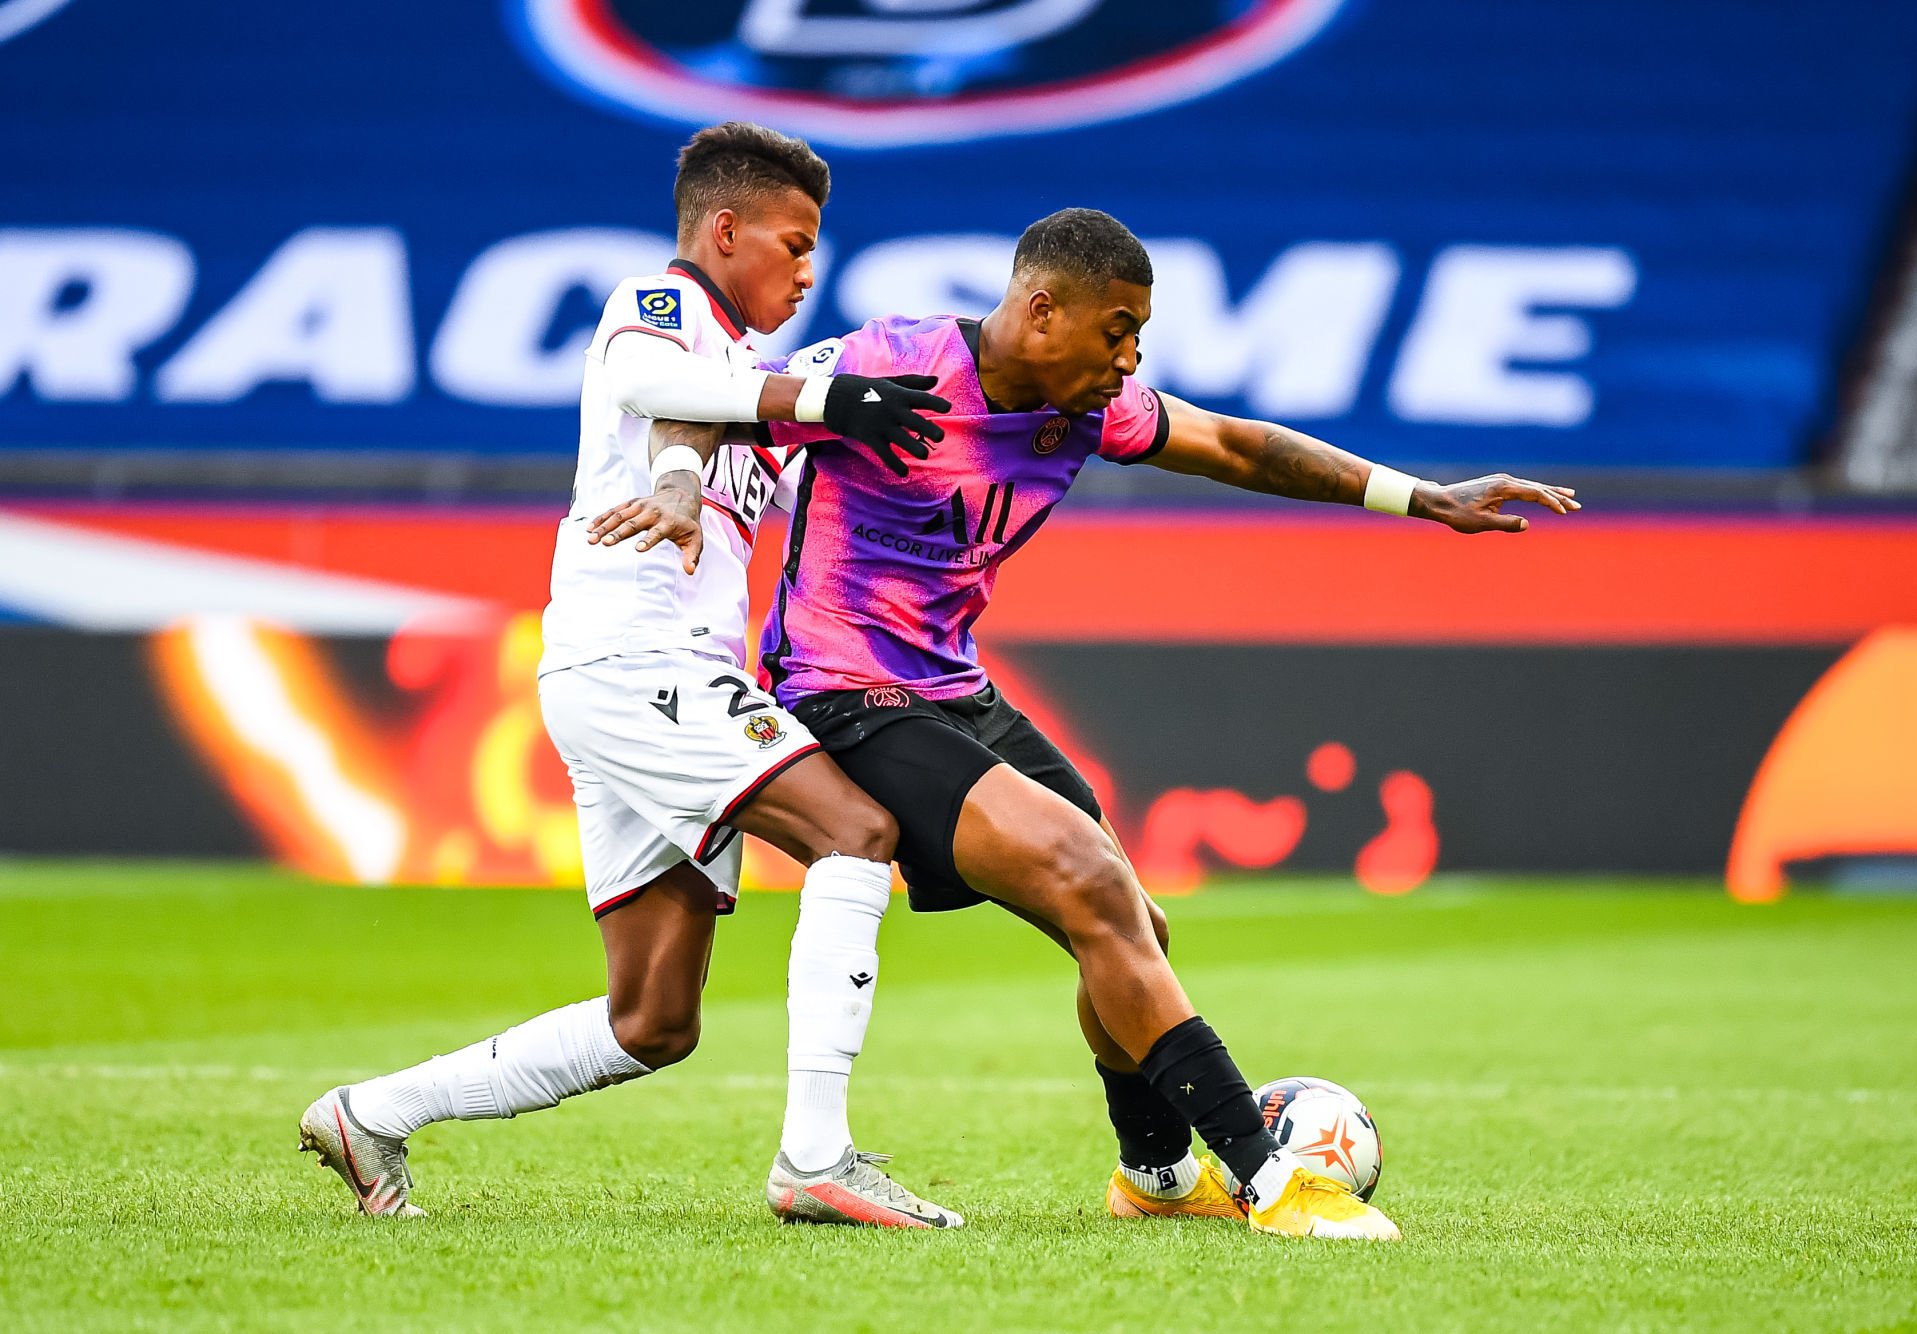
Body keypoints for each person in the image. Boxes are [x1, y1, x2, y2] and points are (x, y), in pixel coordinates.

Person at [591, 207, 1580, 1240]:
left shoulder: (1090, 408)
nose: (1130, 359)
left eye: (1137, 336)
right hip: (841, 691)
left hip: (952, 691)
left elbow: (1235, 444)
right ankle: (1269, 1177)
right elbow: (711, 402)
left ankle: (1155, 1173)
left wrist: (1420, 497)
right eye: (1116, 331)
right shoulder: (892, 362)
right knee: (1089, 878)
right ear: (1041, 311)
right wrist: (678, 488)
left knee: (1133, 922)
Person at [297, 122, 961, 1229]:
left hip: (636, 677)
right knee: (856, 833)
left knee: (652, 1019)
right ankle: (817, 1156)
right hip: (638, 661)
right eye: (795, 243)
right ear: (725, 229)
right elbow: (649, 378)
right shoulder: (661, 303)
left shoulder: (733, 373)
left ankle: (369, 1114)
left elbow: (697, 429)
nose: (809, 270)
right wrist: (817, 402)